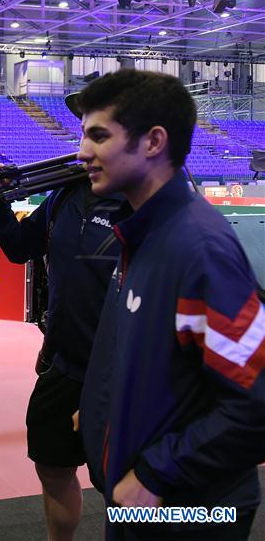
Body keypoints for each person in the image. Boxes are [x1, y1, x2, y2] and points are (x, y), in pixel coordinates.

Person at [75, 69, 265, 539]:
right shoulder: (144, 232)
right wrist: (100, 408)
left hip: (188, 512)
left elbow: (256, 401)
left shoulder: (199, 249)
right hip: (142, 500)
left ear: (154, 141)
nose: (83, 153)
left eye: (99, 136)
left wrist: (157, 473)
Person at [0, 156, 127, 540]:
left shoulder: (143, 203)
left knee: (124, 487)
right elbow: (18, 248)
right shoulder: (64, 196)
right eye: (83, 132)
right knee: (52, 465)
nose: (86, 146)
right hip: (62, 366)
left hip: (119, 376)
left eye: (98, 134)